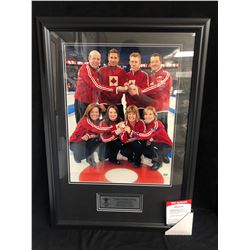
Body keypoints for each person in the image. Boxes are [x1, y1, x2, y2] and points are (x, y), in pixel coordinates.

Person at [74, 50, 125, 123]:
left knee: (91, 124)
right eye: (94, 58)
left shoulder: (96, 71)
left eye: (98, 59)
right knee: (82, 125)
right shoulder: (86, 68)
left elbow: (97, 89)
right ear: (89, 58)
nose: (96, 61)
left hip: (92, 103)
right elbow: (97, 86)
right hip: (82, 102)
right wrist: (116, 89)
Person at [128, 53, 172, 130]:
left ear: (160, 62)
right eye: (152, 62)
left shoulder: (166, 74)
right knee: (151, 135)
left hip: (161, 111)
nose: (154, 64)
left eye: (156, 61)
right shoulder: (151, 77)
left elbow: (157, 87)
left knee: (162, 134)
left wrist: (139, 90)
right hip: (151, 112)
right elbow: (149, 92)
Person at [128, 106, 172, 170]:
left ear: (154, 115)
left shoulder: (156, 123)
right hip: (157, 142)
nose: (148, 116)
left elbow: (147, 135)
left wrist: (132, 132)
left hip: (166, 145)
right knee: (146, 151)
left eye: (150, 114)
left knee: (155, 147)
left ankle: (158, 163)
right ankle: (163, 156)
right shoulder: (148, 123)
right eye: (146, 114)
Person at [98, 49, 128, 120]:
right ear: (108, 58)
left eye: (115, 58)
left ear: (118, 59)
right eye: (111, 57)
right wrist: (100, 103)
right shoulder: (101, 71)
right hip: (105, 104)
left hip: (118, 104)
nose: (113, 60)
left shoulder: (122, 72)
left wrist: (126, 86)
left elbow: (124, 88)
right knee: (106, 127)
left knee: (121, 126)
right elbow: (98, 88)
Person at [125, 52, 149, 118]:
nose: (134, 64)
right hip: (129, 108)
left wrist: (134, 89)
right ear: (129, 62)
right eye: (132, 61)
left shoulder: (144, 75)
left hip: (140, 108)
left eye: (136, 62)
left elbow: (146, 92)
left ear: (139, 63)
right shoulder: (126, 75)